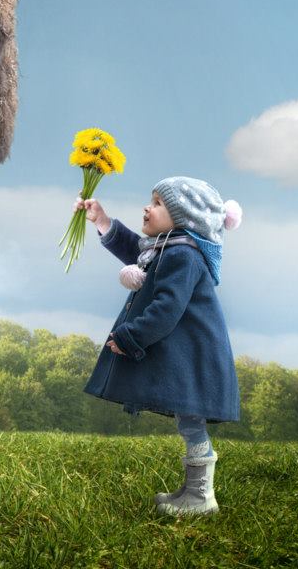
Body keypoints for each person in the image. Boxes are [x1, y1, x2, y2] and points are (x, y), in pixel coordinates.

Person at [79, 176, 243, 516]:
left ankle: (201, 497)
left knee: (191, 422)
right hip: (188, 356)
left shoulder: (183, 254)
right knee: (188, 421)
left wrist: (130, 336)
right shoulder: (170, 247)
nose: (147, 207)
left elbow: (167, 308)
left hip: (194, 359)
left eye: (157, 203)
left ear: (184, 218)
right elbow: (136, 251)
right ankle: (195, 491)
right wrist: (102, 221)